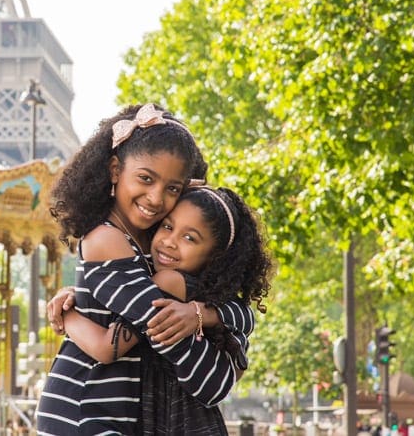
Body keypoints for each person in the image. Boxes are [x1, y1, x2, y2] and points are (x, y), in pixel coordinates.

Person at [34, 103, 256, 436]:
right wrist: (68, 316)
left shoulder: (153, 244)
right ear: (113, 170)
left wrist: (199, 312)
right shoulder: (106, 239)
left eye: (172, 189)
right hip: (86, 408)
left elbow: (241, 313)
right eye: (145, 179)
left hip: (120, 411)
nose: (155, 198)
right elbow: (119, 344)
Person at [55, 185, 273, 435]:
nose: (170, 242)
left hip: (172, 419)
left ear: (215, 257)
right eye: (167, 227)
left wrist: (67, 315)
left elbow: (107, 347)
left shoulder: (169, 282)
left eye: (190, 238)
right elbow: (245, 317)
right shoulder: (209, 295)